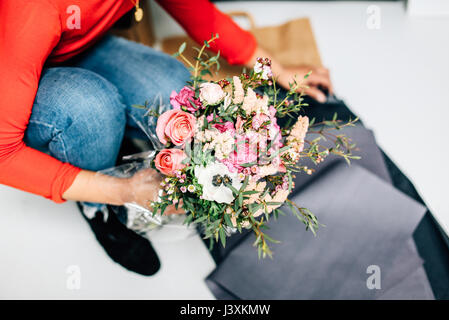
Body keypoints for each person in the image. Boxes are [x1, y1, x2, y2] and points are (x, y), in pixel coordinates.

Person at [0, 0, 332, 275]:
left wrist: (278, 70)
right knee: (91, 109)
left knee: (176, 91)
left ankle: (106, 141)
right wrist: (122, 191)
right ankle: (96, 205)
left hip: (71, 46)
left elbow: (198, 13)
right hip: (12, 66)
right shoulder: (34, 6)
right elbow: (3, 155)